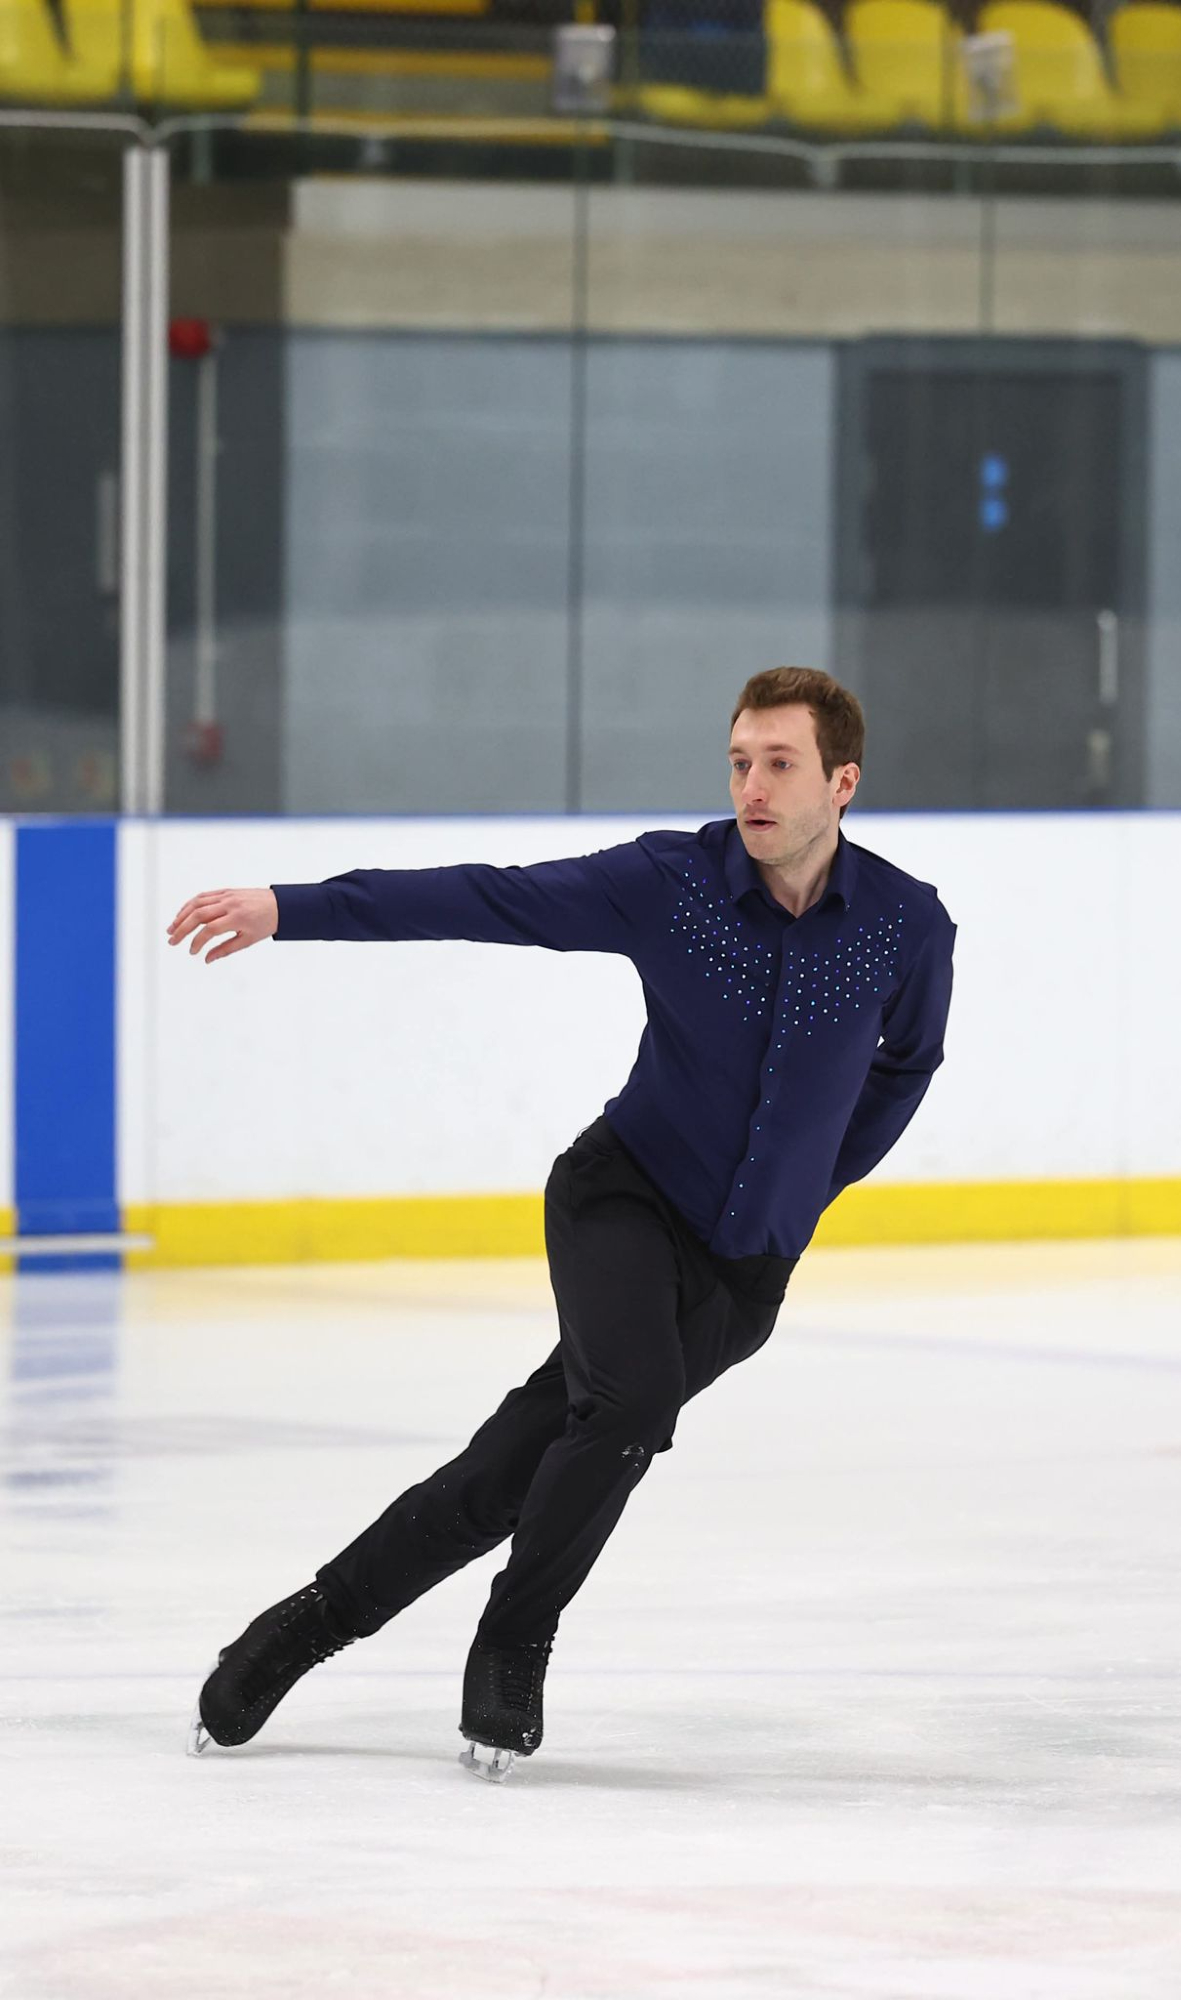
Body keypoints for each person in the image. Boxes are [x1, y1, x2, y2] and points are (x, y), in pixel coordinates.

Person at [168, 666, 956, 1781]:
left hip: (745, 1273)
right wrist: (289, 908)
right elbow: (483, 898)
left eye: (779, 764)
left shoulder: (904, 925)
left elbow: (907, 1064)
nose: (751, 786)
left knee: (506, 1474)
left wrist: (812, 1180)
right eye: (739, 761)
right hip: (620, 1198)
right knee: (629, 1409)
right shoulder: (669, 884)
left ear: (842, 783)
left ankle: (296, 1630)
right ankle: (513, 1643)